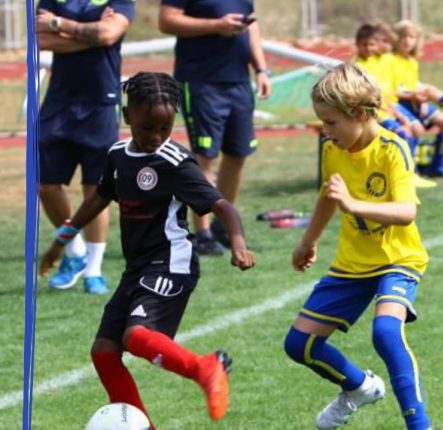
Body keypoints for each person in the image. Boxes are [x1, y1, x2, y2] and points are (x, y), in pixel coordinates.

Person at [39, 72, 256, 428]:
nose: (156, 136)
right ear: (127, 116)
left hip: (172, 263)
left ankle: (205, 367)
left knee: (135, 335)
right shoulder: (117, 155)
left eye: (164, 128)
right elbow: (99, 198)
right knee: (104, 353)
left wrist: (238, 243)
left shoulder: (175, 162)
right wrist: (61, 241)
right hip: (137, 268)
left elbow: (222, 206)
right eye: (147, 128)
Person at [283, 63, 433, 430]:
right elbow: (328, 196)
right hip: (352, 263)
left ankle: (420, 425)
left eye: (331, 122)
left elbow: (406, 211)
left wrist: (354, 205)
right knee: (299, 344)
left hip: (398, 259)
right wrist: (308, 240)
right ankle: (359, 387)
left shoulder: (392, 149)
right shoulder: (333, 149)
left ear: (360, 114)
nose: (325, 130)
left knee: (386, 333)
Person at [35, 0, 135, 294]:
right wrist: (92, 35)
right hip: (59, 102)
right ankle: (75, 251)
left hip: (101, 102)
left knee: (95, 189)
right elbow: (41, 40)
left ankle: (94, 270)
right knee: (45, 184)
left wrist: (60, 25)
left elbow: (108, 34)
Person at [158, 0, 272, 255]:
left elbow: (252, 25)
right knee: (206, 158)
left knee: (238, 154)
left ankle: (224, 226)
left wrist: (261, 69)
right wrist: (216, 26)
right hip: (201, 82)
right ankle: (203, 234)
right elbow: (166, 21)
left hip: (239, 82)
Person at [353, 23, 436, 189]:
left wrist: (397, 113)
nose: (368, 48)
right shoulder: (358, 67)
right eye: (364, 45)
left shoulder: (379, 61)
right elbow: (371, 98)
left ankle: (410, 172)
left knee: (414, 128)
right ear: (357, 45)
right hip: (373, 112)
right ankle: (404, 175)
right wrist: (393, 113)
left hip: (388, 107)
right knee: (403, 133)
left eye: (371, 44)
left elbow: (385, 93)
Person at [392, 20, 443, 178]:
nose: (407, 41)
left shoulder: (412, 61)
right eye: (403, 36)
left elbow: (413, 86)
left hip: (414, 101)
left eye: (411, 37)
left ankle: (437, 166)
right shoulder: (390, 60)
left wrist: (422, 102)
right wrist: (414, 97)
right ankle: (410, 171)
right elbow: (393, 90)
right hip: (399, 104)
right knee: (415, 130)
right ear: (396, 39)